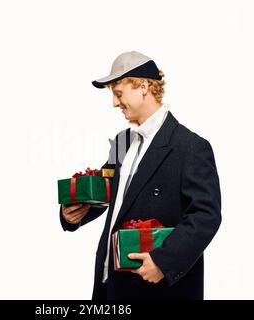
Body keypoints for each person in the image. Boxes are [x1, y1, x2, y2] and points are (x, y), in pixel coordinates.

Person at [59, 51, 221, 300]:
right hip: (109, 282)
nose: (114, 103)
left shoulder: (190, 146)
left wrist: (163, 262)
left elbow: (206, 216)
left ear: (143, 86)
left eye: (118, 93)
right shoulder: (123, 141)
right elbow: (112, 194)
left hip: (157, 289)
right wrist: (74, 214)